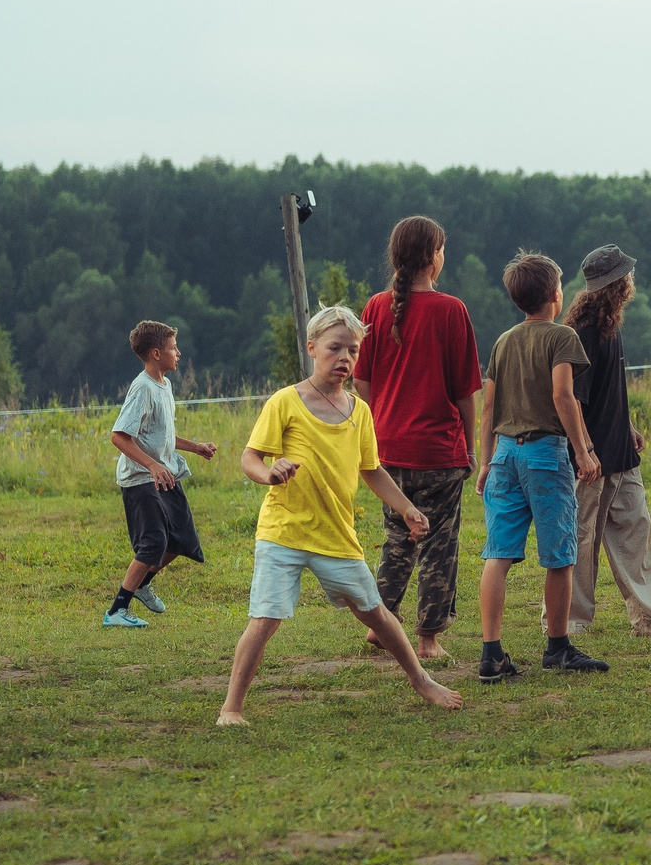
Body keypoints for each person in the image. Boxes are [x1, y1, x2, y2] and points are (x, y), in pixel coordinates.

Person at [219, 305, 465, 725]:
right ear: (312, 348)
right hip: (284, 533)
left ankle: (423, 681)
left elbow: (372, 470)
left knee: (376, 614)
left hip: (336, 537)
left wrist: (406, 508)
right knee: (264, 619)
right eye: (335, 348)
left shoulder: (360, 412)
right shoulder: (285, 402)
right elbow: (250, 457)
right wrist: (268, 473)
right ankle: (231, 708)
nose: (345, 358)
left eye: (352, 350)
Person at [354, 216, 485, 662]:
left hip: (388, 450)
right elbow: (467, 392)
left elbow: (362, 380)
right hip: (438, 452)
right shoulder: (451, 310)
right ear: (432, 257)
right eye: (442, 249)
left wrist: (375, 427)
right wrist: (469, 448)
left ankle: (380, 624)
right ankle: (428, 638)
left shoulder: (374, 307)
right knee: (439, 543)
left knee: (397, 537)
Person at [475, 253, 608, 681]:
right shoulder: (562, 336)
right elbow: (563, 397)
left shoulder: (503, 340)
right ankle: (558, 647)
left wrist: (485, 460)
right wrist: (584, 451)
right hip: (544, 455)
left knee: (498, 554)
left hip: (504, 456)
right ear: (556, 294)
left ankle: (491, 652)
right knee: (559, 555)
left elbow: (488, 406)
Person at [559, 246, 651, 636]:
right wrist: (584, 451)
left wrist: (627, 425)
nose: (632, 280)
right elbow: (572, 400)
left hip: (621, 452)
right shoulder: (580, 332)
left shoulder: (610, 324)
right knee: (582, 539)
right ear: (616, 282)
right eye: (627, 275)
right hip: (591, 460)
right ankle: (571, 621)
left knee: (636, 533)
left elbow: (608, 390)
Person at [102, 320, 220, 627]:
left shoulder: (163, 385)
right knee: (153, 543)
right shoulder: (142, 388)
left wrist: (194, 447)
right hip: (142, 479)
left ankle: (141, 584)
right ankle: (116, 611)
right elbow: (119, 436)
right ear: (156, 353)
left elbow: (160, 435)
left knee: (181, 541)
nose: (178, 353)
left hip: (165, 474)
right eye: (173, 348)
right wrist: (152, 465)